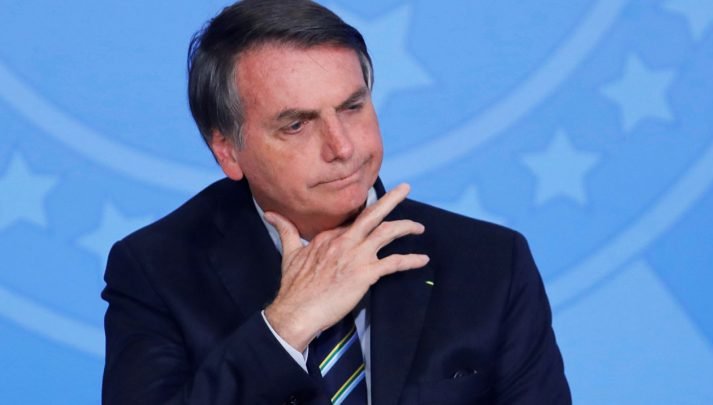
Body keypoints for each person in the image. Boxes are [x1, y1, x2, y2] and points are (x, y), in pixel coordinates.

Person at [101, 0, 571, 403]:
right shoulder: (156, 271)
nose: (342, 147)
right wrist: (285, 326)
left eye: (352, 107)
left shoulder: (492, 263)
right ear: (227, 150)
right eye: (296, 125)